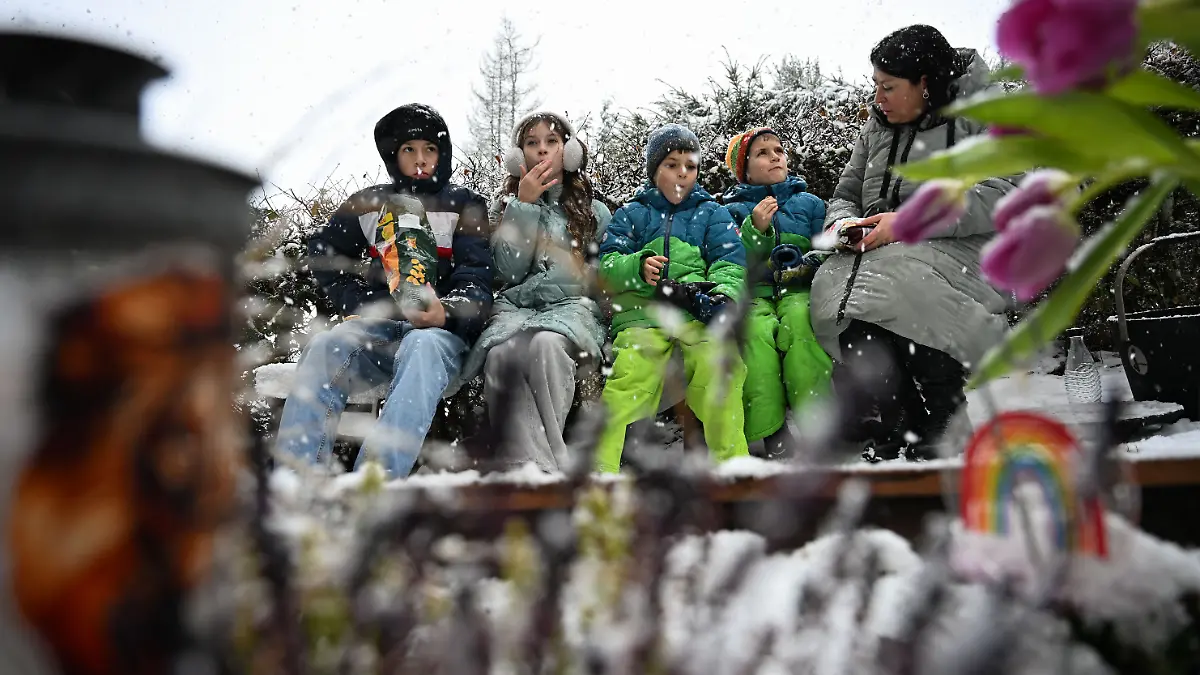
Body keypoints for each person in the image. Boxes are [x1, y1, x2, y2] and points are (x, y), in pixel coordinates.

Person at [809, 25, 1017, 461]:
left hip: (967, 253)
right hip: (883, 251)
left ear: (925, 84)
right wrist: (847, 226)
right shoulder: (876, 128)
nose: (878, 98)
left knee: (905, 278)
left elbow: (1008, 192)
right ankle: (900, 418)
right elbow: (845, 193)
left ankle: (947, 413)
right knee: (831, 284)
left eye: (888, 87)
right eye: (875, 86)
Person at [275, 103, 493, 476]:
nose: (420, 159)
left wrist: (448, 311)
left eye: (430, 149)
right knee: (328, 345)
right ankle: (295, 484)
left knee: (421, 345)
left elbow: (478, 279)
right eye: (409, 149)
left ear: (443, 154)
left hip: (438, 338)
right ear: (394, 155)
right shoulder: (370, 203)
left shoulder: (464, 205)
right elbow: (323, 255)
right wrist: (362, 301)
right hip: (378, 334)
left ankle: (372, 488)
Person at [448, 111, 612, 472]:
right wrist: (522, 207)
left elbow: (603, 274)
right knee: (503, 355)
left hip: (573, 311)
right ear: (519, 155)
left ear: (569, 152)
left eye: (552, 142)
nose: (542, 151)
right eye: (532, 144)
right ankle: (540, 467)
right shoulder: (504, 207)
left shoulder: (594, 211)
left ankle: (533, 466)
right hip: (517, 311)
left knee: (545, 346)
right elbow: (507, 271)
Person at [594, 123, 750, 473]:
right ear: (653, 171)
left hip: (696, 311)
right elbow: (606, 266)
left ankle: (735, 470)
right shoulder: (631, 214)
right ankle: (599, 473)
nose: (682, 172)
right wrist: (637, 266)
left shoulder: (712, 213)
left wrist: (722, 295)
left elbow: (730, 262)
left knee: (720, 369)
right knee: (628, 378)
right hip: (642, 315)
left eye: (690, 165)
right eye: (671, 164)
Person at [722, 128, 832, 457]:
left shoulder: (809, 203)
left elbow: (828, 246)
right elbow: (730, 261)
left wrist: (807, 263)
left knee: (801, 323)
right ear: (744, 169)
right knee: (755, 334)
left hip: (798, 289)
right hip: (754, 294)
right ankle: (771, 431)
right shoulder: (729, 212)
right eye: (762, 153)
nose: (775, 156)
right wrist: (757, 231)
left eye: (779, 150)